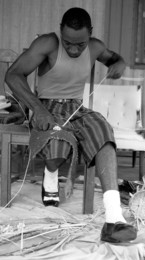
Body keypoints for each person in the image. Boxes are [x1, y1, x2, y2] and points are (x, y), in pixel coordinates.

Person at [5, 7, 137, 243]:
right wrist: (39, 109)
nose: (74, 50)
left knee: (103, 132)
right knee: (57, 138)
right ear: (60, 33)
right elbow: (13, 75)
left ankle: (113, 219)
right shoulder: (47, 43)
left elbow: (114, 59)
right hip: (46, 106)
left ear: (90, 35)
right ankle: (51, 174)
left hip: (76, 107)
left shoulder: (96, 46)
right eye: (68, 44)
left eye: (80, 44)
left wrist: (120, 63)